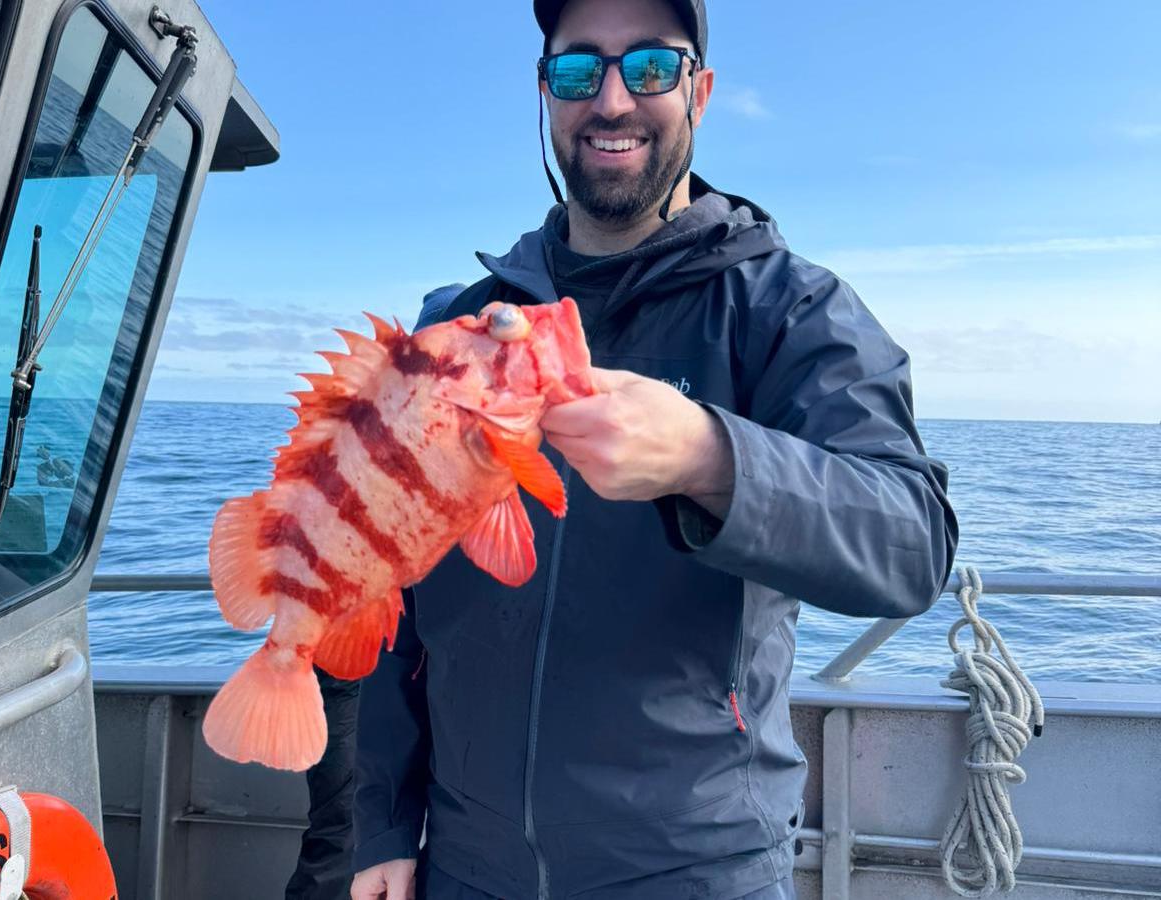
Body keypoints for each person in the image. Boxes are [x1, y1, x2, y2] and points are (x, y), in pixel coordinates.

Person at [333, 0, 960, 897]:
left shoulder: (790, 311)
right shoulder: (459, 328)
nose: (614, 100)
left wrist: (712, 459)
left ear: (699, 93)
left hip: (698, 868)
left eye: (652, 68)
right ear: (546, 96)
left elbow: (912, 545)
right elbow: (392, 592)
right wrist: (385, 824)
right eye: (580, 71)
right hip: (464, 864)